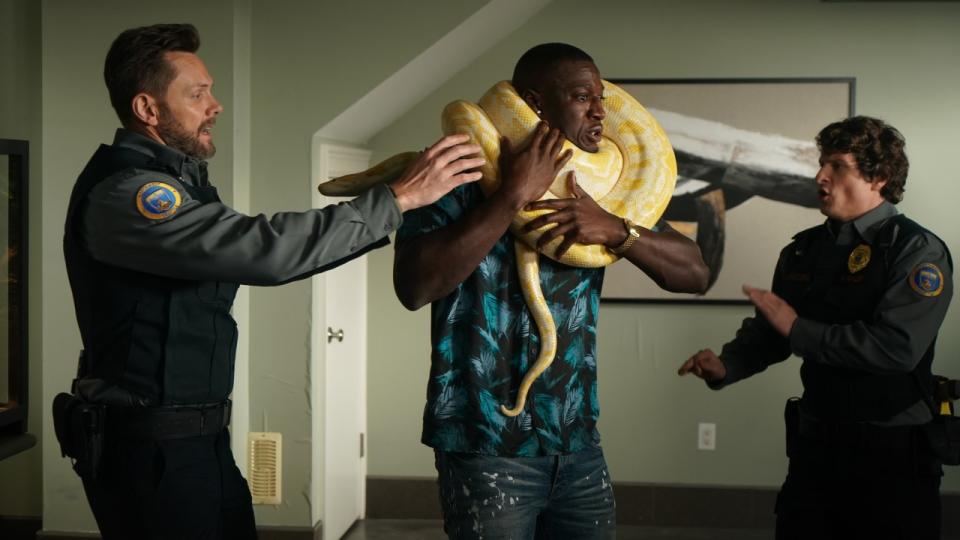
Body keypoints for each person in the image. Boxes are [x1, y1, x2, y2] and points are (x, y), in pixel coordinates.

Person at [57, 23, 484, 540]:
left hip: (198, 446)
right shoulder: (130, 194)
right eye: (197, 94)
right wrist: (397, 200)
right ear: (148, 110)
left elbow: (266, 249)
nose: (215, 105)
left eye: (210, 90)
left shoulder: (179, 181)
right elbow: (265, 248)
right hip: (150, 455)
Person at [394, 43, 709, 539]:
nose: (601, 111)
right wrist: (512, 195)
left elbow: (694, 274)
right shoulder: (457, 179)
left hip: (577, 443)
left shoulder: (602, 194)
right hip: (484, 445)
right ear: (536, 104)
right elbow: (415, 286)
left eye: (601, 97)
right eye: (583, 97)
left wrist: (617, 230)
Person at [678, 116, 953, 540]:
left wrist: (797, 328)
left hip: (893, 458)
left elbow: (896, 348)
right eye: (822, 164)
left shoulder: (915, 249)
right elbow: (771, 335)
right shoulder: (804, 250)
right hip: (816, 453)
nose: (821, 176)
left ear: (878, 176)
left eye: (837, 166)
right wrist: (726, 366)